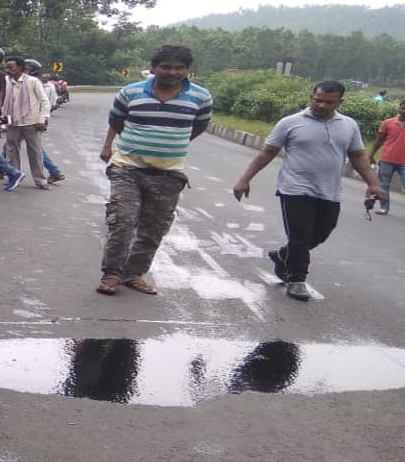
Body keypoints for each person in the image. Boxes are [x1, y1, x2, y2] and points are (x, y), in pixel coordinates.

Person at [233, 81, 387, 301]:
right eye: (318, 99)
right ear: (311, 97)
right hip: (294, 188)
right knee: (300, 236)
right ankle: (297, 279)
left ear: (340, 102)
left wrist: (372, 184)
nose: (321, 105)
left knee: (322, 232)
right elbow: (267, 152)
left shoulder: (349, 125)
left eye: (328, 102)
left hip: (329, 191)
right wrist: (245, 179)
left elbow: (358, 156)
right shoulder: (290, 123)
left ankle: (283, 255)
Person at [96, 45, 212, 296]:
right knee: (123, 220)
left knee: (154, 227)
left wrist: (169, 145)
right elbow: (116, 121)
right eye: (166, 67)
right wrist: (109, 145)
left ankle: (133, 274)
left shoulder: (201, 97)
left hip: (169, 174)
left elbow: (199, 126)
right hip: (127, 167)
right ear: (153, 68)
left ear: (187, 71)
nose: (173, 72)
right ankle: (112, 274)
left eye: (179, 68)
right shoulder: (130, 92)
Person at [0, 56, 51, 190]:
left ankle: (40, 180)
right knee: (12, 151)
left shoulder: (33, 82)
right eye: (7, 67)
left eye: (11, 67)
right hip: (13, 122)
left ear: (21, 68)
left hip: (31, 122)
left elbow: (44, 101)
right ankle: (14, 176)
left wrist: (41, 119)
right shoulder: (6, 81)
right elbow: (3, 100)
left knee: (35, 152)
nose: (8, 70)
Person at [368, 99, 405, 214]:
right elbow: (379, 140)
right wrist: (371, 154)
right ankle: (384, 207)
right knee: (384, 185)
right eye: (403, 107)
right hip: (387, 159)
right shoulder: (388, 123)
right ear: (399, 108)